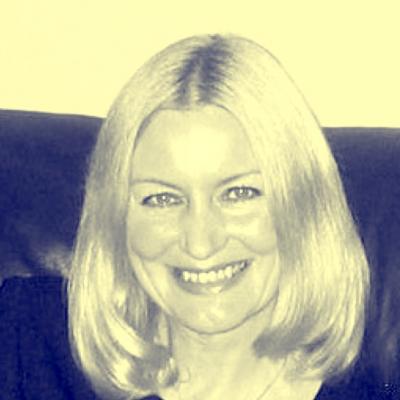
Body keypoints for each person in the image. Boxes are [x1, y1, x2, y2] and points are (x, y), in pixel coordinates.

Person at [0, 33, 391, 399]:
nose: (200, 242)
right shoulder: (25, 338)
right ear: (117, 220)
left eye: (239, 193)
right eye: (162, 199)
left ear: (304, 209)